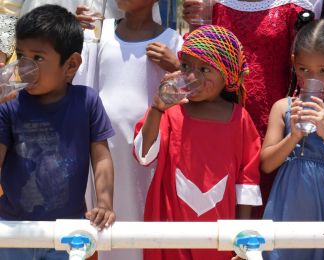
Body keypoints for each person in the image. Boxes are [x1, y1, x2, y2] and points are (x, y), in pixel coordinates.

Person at [134, 25, 262, 260]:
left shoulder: (240, 119)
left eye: (204, 69)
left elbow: (247, 181)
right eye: (185, 67)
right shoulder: (171, 112)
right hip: (171, 229)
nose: (192, 77)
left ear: (228, 76)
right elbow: (144, 154)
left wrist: (242, 237)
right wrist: (157, 108)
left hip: (219, 234)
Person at [0, 4, 116, 259]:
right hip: (13, 230)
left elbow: (102, 157)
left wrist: (104, 203)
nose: (25, 67)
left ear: (71, 64)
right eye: (20, 55)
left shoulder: (87, 101)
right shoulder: (10, 105)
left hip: (70, 231)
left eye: (38, 58)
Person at [183, 0, 313, 219]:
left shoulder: (291, 8)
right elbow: (197, 56)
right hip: (222, 118)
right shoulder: (212, 6)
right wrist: (193, 27)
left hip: (272, 120)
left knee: (266, 191)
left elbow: (302, 67)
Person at [76, 0, 183, 260]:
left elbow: (187, 92)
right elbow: (80, 77)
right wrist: (74, 32)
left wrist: (177, 66)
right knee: (103, 212)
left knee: (142, 208)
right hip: (102, 146)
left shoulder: (172, 41)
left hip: (146, 149)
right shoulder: (100, 33)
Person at [261, 11, 324, 259]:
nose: (314, 79)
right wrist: (293, 136)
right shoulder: (283, 108)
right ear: (294, 63)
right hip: (290, 205)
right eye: (304, 69)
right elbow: (266, 164)